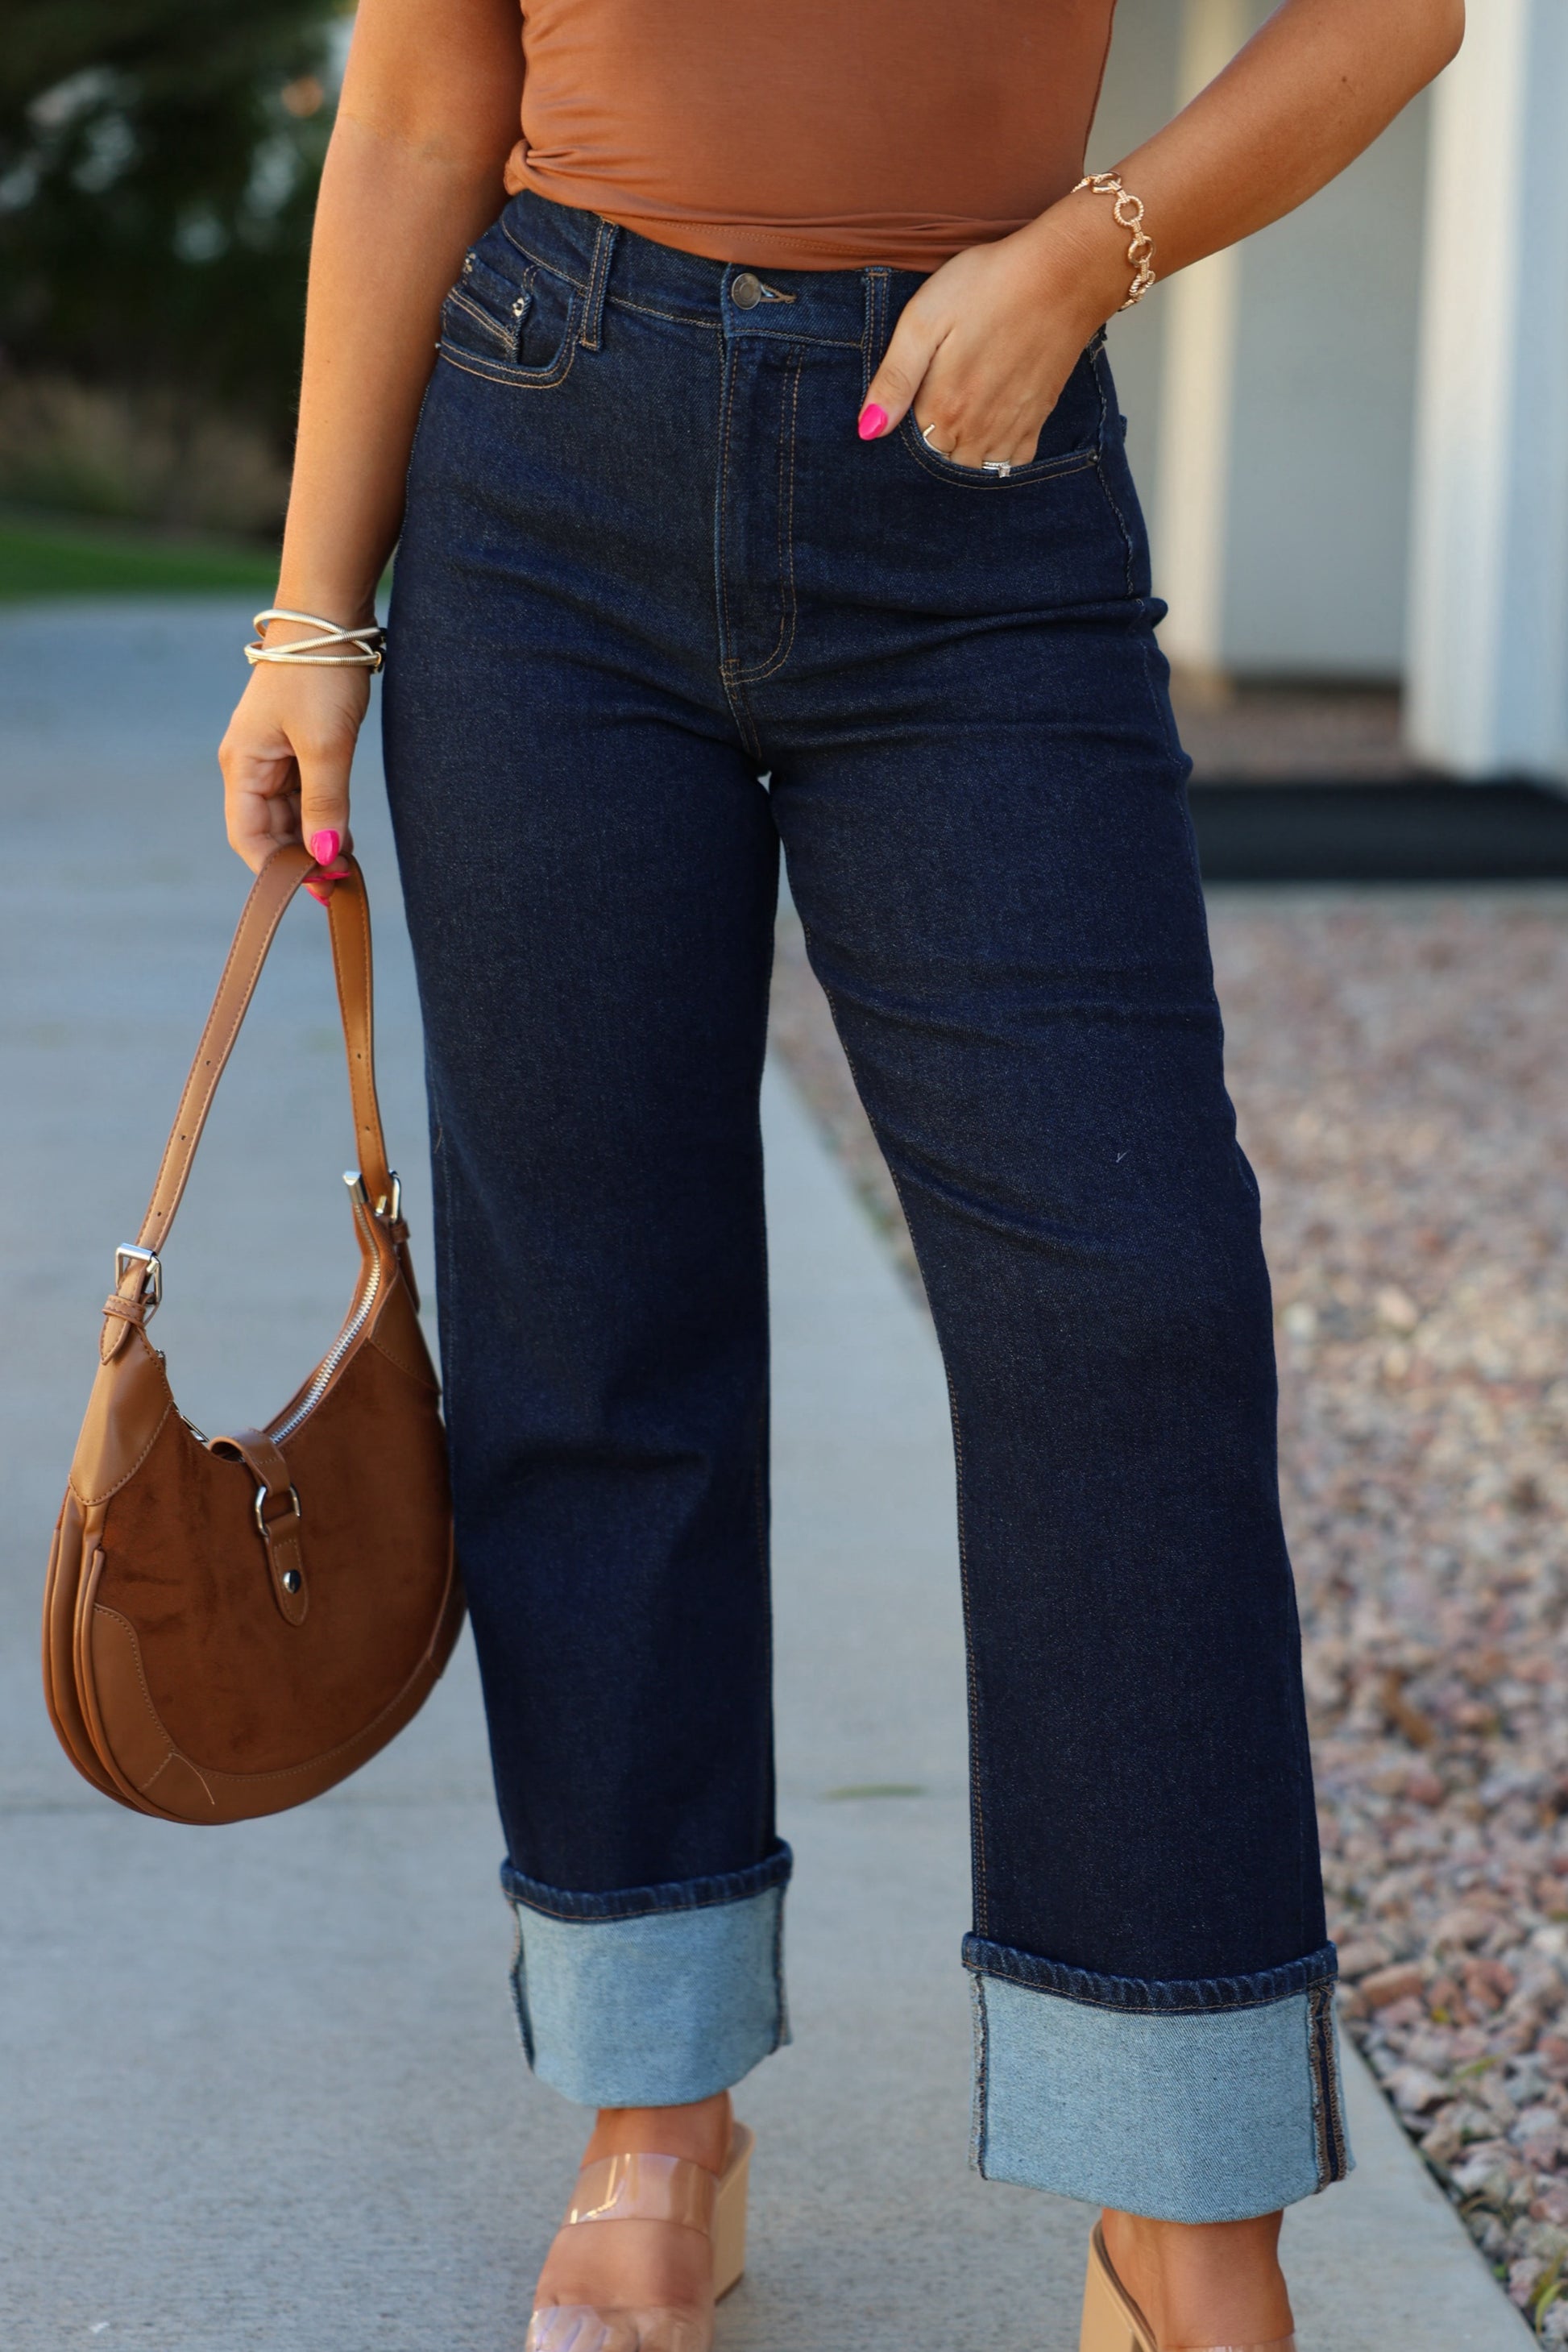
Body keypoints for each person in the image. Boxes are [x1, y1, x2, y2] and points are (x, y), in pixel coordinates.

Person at [218, 2, 1464, 2345]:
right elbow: (411, 111)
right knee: (594, 1312)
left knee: (1134, 1306)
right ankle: (651, 2115)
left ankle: (1174, 2197)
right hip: (545, 461)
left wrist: (1096, 247)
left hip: (979, 497)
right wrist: (313, 622)